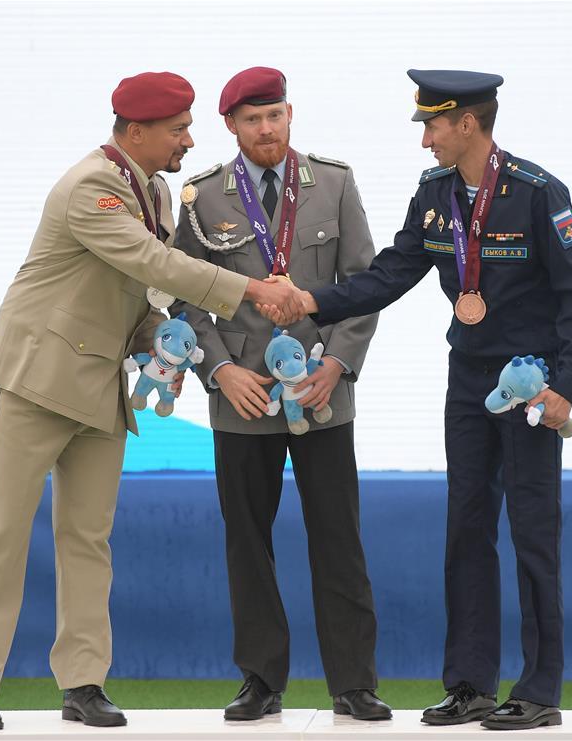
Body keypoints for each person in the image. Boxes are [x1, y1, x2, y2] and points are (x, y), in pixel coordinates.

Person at [0, 71, 302, 731]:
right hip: (35, 379)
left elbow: (136, 290)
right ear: (136, 132)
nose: (189, 141)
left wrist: (155, 344)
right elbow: (153, 263)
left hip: (99, 385)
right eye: (178, 130)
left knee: (88, 539)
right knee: (3, 532)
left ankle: (82, 684)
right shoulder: (92, 186)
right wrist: (254, 291)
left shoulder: (155, 190)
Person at [262, 69, 572, 731]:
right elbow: (391, 273)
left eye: (433, 125)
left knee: (533, 534)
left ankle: (538, 690)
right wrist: (310, 301)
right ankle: (470, 685)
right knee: (465, 528)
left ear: (467, 123)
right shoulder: (434, 193)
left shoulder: (538, 193)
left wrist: (566, 387)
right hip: (468, 380)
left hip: (529, 385)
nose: (425, 139)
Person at [171, 67, 391, 722]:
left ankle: (353, 684)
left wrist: (338, 365)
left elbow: (363, 285)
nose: (266, 129)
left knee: (338, 537)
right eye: (252, 119)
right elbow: (185, 295)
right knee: (247, 540)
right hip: (241, 395)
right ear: (231, 126)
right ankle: (260, 680)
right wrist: (219, 371)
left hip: (320, 390)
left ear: (290, 114)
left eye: (274, 115)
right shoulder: (201, 197)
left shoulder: (335, 183)